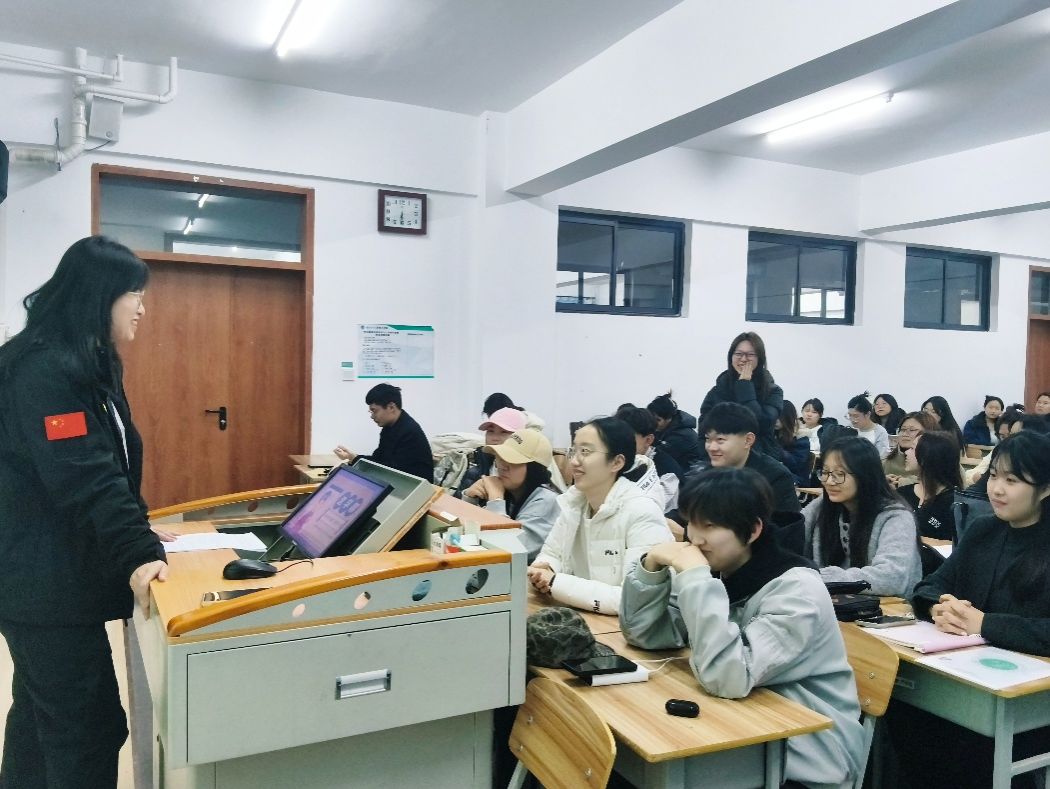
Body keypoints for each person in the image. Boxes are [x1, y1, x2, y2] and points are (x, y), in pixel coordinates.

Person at [0, 236, 170, 788]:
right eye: (133, 294)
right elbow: (85, 476)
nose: (141, 307)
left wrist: (139, 528)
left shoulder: (89, 364)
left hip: (49, 577)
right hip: (38, 584)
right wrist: (139, 550)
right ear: (99, 296)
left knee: (39, 720)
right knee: (89, 729)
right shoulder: (44, 372)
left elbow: (114, 463)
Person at [620, 468, 864, 789]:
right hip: (742, 727)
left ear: (752, 531)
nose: (696, 538)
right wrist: (650, 568)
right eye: (692, 522)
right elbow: (647, 635)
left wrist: (696, 582)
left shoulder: (796, 591)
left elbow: (728, 676)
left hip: (807, 753)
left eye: (710, 526)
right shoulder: (717, 568)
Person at [888, 431, 1050, 789]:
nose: (997, 489)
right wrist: (940, 607)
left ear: (1045, 488)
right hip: (969, 676)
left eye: (1012, 481)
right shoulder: (983, 531)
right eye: (993, 476)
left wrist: (985, 623)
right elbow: (929, 586)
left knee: (962, 748)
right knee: (903, 712)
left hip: (1029, 700)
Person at [527, 417, 672, 615]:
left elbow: (632, 600)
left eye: (585, 452)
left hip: (620, 627)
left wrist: (555, 582)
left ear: (616, 462)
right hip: (582, 615)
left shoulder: (642, 512)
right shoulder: (575, 502)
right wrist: (545, 568)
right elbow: (552, 553)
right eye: (573, 450)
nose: (574, 461)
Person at [803, 436, 921, 596]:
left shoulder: (896, 517)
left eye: (839, 474)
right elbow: (788, 539)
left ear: (864, 475)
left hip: (887, 606)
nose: (829, 481)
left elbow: (891, 578)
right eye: (825, 472)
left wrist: (820, 576)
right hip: (832, 601)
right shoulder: (823, 506)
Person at [462, 429, 559, 563]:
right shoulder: (512, 492)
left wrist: (496, 501)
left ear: (534, 469)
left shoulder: (546, 500)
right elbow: (466, 536)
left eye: (513, 461)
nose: (502, 466)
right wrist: (470, 499)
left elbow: (508, 551)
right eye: (500, 458)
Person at [701, 403, 800, 514]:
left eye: (720, 439)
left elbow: (786, 523)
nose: (712, 448)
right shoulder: (706, 474)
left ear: (748, 440)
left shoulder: (776, 477)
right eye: (708, 439)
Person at [699, 332, 783, 456]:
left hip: (758, 458)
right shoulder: (718, 390)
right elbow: (703, 428)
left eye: (750, 355)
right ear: (731, 357)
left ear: (760, 359)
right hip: (720, 457)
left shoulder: (773, 391)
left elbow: (762, 424)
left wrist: (745, 386)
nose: (743, 359)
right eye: (738, 354)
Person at [334, 383, 433, 480]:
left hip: (415, 486)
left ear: (391, 407)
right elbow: (378, 459)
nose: (372, 416)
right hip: (397, 480)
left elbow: (391, 470)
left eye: (374, 411)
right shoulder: (389, 427)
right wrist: (353, 457)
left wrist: (355, 459)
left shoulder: (409, 431)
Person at [615, 405, 684, 511]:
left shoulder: (667, 473)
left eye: (627, 439)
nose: (620, 444)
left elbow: (655, 511)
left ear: (648, 440)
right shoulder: (619, 460)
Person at [898, 431, 963, 541]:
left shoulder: (954, 503)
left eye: (912, 448)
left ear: (926, 457)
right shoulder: (902, 494)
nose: (906, 452)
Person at [455, 406, 527, 495]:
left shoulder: (526, 477)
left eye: (504, 432)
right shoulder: (475, 473)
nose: (494, 438)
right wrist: (467, 495)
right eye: (491, 431)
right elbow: (454, 502)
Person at [646, 391, 702, 470]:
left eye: (658, 420)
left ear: (669, 418)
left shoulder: (682, 436)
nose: (653, 423)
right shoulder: (664, 428)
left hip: (691, 474)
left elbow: (655, 456)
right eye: (651, 419)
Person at [884, 411, 936, 488]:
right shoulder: (885, 461)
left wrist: (902, 482)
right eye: (902, 429)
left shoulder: (936, 462)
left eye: (912, 430)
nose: (905, 434)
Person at [774, 400, 812, 486]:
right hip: (780, 475)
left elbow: (797, 465)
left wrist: (777, 449)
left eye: (779, 417)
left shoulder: (801, 437)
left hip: (796, 480)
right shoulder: (774, 433)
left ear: (788, 417)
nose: (775, 420)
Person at [846, 392, 891, 459]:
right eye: (850, 415)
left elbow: (882, 458)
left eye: (856, 416)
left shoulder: (880, 432)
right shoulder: (849, 428)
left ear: (868, 414)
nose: (852, 420)